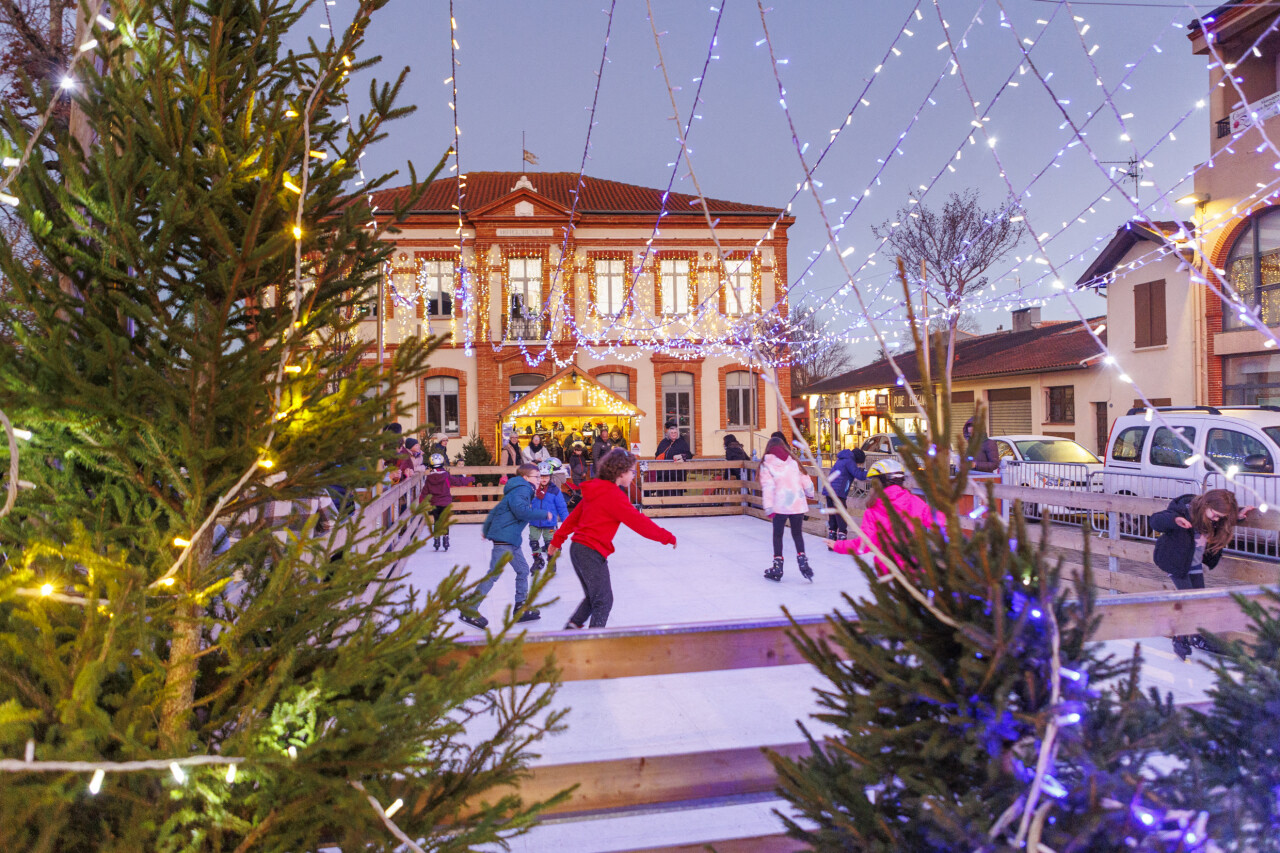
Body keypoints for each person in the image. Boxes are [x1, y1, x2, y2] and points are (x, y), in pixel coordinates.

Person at [549, 449, 677, 629]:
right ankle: (593, 643)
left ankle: (570, 631)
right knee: (603, 601)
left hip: (578, 549)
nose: (634, 475)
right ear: (621, 472)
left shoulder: (596, 490)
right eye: (632, 471)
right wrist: (667, 537)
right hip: (590, 552)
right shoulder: (614, 496)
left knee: (594, 597)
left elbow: (573, 518)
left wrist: (557, 540)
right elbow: (640, 523)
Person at [1150, 489, 1253, 660]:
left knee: (1200, 601)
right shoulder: (1183, 511)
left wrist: (1237, 515)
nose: (1216, 519)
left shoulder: (1213, 517)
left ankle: (1197, 637)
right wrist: (1174, 520)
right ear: (1206, 504)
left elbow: (1222, 516)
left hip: (1194, 564)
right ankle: (1180, 638)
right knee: (1190, 601)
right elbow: (1155, 520)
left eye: (1221, 517)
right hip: (1176, 562)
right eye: (1215, 514)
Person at [461, 462, 554, 629]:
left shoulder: (518, 490)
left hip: (511, 539)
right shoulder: (523, 490)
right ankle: (469, 608)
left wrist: (487, 529)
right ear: (526, 478)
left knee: (523, 570)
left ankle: (521, 608)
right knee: (494, 575)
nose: (539, 479)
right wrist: (543, 514)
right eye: (536, 477)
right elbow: (521, 511)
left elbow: (498, 510)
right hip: (505, 539)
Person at [829, 458, 944, 577]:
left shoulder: (873, 511)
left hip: (888, 573)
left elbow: (864, 544)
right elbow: (939, 521)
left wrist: (838, 545)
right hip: (916, 569)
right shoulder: (915, 502)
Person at [759, 435, 816, 582]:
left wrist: (769, 507)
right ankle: (803, 561)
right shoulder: (793, 462)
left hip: (780, 505)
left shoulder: (767, 464)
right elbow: (805, 479)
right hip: (797, 504)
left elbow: (768, 487)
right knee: (797, 534)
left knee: (778, 535)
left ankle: (778, 566)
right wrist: (810, 493)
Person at [421, 452, 473, 551]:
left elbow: (424, 492)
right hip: (445, 502)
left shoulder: (429, 478)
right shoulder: (446, 475)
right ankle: (445, 540)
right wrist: (470, 479)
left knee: (437, 521)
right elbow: (457, 482)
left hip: (434, 503)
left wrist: (421, 503)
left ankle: (436, 539)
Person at [528, 461, 569, 574]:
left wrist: (567, 522)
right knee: (533, 542)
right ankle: (538, 560)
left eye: (546, 476)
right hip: (534, 521)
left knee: (550, 544)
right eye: (541, 476)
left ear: (550, 476)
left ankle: (551, 561)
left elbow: (562, 507)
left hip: (549, 523)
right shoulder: (532, 489)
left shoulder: (554, 490)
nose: (543, 479)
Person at [823, 448, 867, 541]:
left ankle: (832, 535)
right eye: (859, 463)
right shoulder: (850, 461)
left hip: (829, 490)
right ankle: (842, 535)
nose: (858, 465)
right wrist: (871, 473)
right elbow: (859, 475)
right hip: (838, 492)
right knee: (841, 514)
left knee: (833, 515)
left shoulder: (842, 459)